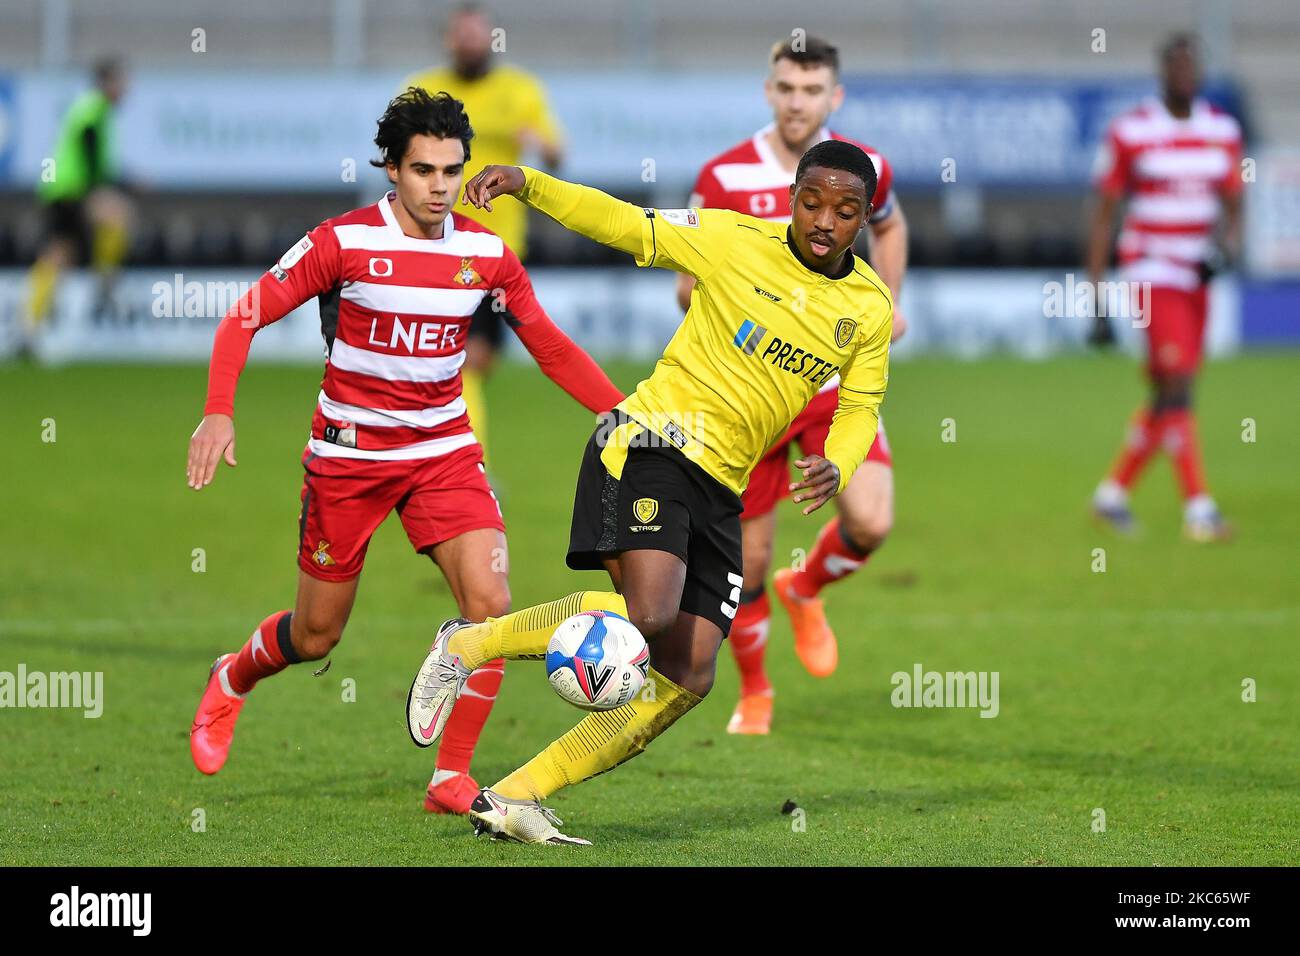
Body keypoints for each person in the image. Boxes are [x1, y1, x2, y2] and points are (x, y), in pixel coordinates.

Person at [407, 139, 893, 845]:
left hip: (724, 484)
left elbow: (859, 405)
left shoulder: (868, 307)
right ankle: (470, 643)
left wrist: (840, 464)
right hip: (651, 445)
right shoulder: (731, 238)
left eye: (845, 211)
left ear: (864, 218)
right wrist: (528, 183)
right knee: (650, 613)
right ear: (792, 197)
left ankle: (513, 796)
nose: (824, 221)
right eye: (812, 202)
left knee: (689, 674)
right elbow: (626, 223)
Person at [185, 90, 621, 817]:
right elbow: (245, 315)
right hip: (348, 458)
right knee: (316, 633)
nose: (440, 185)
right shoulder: (344, 242)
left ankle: (450, 778)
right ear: (392, 169)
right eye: (423, 169)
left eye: (452, 169)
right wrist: (217, 414)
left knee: (490, 610)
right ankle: (233, 676)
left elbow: (548, 344)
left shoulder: (485, 255)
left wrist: (619, 412)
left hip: (442, 452)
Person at [682, 36, 909, 735]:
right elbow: (689, 287)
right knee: (746, 560)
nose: (797, 102)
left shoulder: (863, 169)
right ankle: (756, 692)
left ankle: (805, 586)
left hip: (831, 386)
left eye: (812, 91)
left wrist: (890, 306)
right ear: (769, 90)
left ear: (833, 97)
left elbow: (891, 225)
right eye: (786, 88)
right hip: (749, 398)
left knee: (872, 519)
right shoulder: (722, 178)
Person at [1088, 33, 1241, 542]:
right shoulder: (1132, 131)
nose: (1184, 76)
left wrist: (1227, 247)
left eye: (1191, 67)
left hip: (1198, 277)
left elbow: (1235, 203)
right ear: (1162, 73)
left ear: (1199, 74)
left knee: (1169, 394)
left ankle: (1112, 495)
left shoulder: (1222, 130)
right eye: (1175, 67)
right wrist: (1097, 295)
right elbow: (1105, 215)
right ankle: (1200, 510)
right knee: (1177, 385)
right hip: (1152, 273)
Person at [404, 2, 564, 461]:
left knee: (475, 362)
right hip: (436, 244)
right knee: (461, 360)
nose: (470, 44)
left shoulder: (518, 89)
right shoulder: (424, 89)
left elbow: (556, 153)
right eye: (463, 36)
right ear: (450, 41)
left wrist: (541, 144)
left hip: (497, 250)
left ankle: (445, 455)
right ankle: (469, 464)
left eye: (478, 36)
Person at [23, 57, 133, 350]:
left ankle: (29, 330)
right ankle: (105, 279)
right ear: (107, 82)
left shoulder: (89, 107)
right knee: (118, 213)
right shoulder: (94, 107)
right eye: (121, 82)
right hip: (72, 188)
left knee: (58, 255)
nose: (125, 89)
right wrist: (106, 184)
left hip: (60, 188)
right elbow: (89, 146)